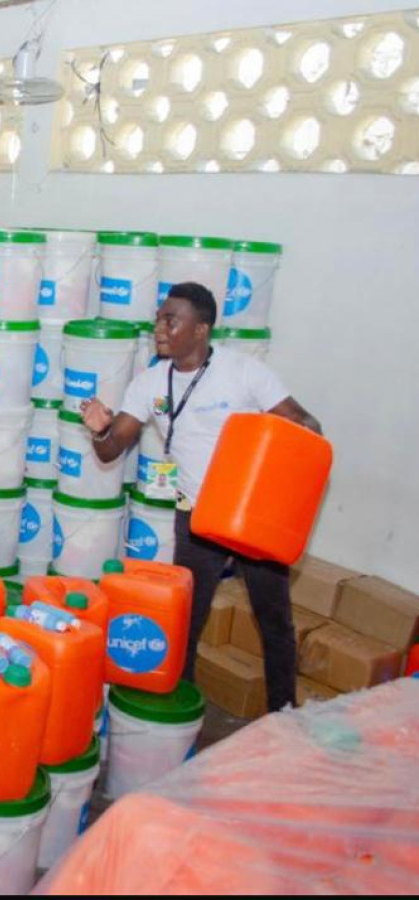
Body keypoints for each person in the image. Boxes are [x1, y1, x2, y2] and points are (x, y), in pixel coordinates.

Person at [81, 282, 321, 713]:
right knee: (187, 621)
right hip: (196, 517)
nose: (160, 327)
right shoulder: (149, 383)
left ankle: (284, 715)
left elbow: (304, 423)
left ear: (201, 329)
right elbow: (110, 449)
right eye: (159, 318)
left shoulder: (244, 373)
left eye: (172, 319)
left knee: (274, 621)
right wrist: (99, 427)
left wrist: (297, 449)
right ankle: (182, 711)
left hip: (251, 516)